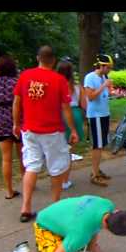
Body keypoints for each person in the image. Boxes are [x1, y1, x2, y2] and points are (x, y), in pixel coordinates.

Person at [13, 46, 78, 223]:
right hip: (52, 132)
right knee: (56, 167)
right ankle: (55, 207)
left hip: (30, 130)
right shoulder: (59, 80)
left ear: (38, 58)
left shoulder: (25, 76)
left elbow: (17, 102)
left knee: (32, 166)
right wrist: (72, 129)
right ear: (54, 60)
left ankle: (25, 207)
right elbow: (66, 108)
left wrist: (16, 123)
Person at [0, 55, 24, 199]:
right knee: (22, 156)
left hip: (0, 122)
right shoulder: (17, 82)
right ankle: (27, 183)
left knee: (6, 158)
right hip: (17, 121)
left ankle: (9, 190)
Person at [84, 54, 114, 187]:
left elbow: (103, 95)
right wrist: (103, 86)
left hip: (104, 114)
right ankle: (94, 174)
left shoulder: (104, 77)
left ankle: (97, 169)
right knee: (97, 145)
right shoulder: (90, 77)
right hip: (95, 115)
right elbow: (90, 97)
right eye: (108, 67)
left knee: (102, 144)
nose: (110, 70)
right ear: (101, 66)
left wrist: (111, 91)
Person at [56, 61, 86, 190]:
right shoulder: (78, 88)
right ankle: (65, 180)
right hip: (74, 114)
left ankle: (57, 177)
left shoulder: (55, 86)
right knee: (68, 150)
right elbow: (84, 105)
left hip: (58, 114)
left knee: (57, 149)